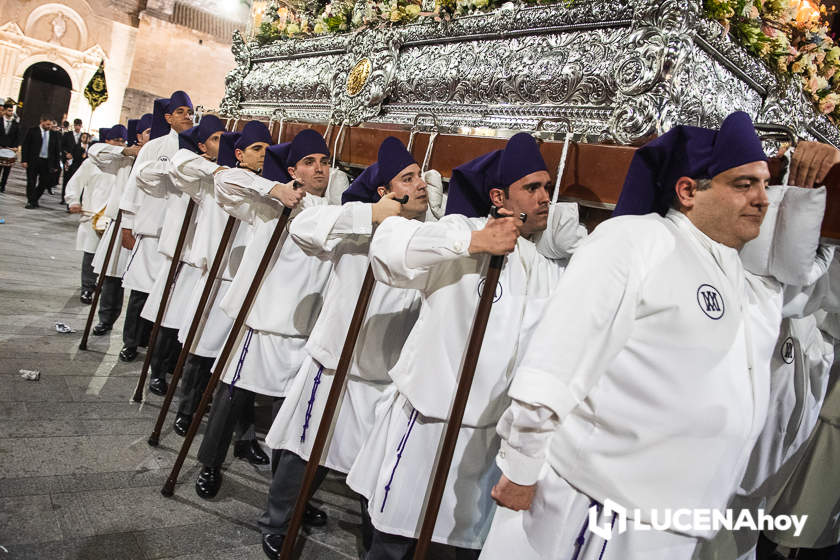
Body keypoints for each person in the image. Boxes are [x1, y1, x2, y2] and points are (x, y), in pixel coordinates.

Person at [482, 112, 829, 560]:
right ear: (687, 191)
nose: (763, 200)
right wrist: (522, 466)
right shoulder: (635, 241)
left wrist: (804, 193)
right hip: (598, 511)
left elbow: (792, 270)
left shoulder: (741, 276)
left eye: (766, 186)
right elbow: (556, 361)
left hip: (674, 524)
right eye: (743, 185)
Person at [344, 133, 586, 559]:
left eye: (547, 187)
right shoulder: (461, 231)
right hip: (429, 427)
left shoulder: (543, 271)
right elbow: (387, 247)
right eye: (532, 188)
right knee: (395, 541)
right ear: (499, 196)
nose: (545, 197)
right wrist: (475, 243)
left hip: (486, 440)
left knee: (453, 548)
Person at [257, 136, 430, 559]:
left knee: (374, 466)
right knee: (304, 451)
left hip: (384, 374)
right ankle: (280, 520)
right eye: (408, 178)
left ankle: (375, 542)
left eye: (421, 175)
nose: (421, 184)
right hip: (336, 364)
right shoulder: (353, 226)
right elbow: (303, 227)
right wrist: (371, 215)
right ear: (384, 192)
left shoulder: (429, 236)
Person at [193, 126, 338, 502]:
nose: (320, 169)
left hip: (306, 329)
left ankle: (285, 498)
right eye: (309, 162)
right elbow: (226, 181)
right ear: (293, 171)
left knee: (291, 417)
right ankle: (210, 462)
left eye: (324, 161)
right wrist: (274, 189)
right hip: (262, 323)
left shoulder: (339, 212)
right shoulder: (272, 203)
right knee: (231, 397)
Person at [118, 92, 193, 363]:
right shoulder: (154, 147)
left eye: (189, 112)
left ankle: (156, 349)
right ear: (168, 117)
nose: (187, 116)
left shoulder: (198, 150)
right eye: (181, 111)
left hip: (179, 236)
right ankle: (130, 342)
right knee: (140, 291)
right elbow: (133, 187)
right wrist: (127, 225)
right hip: (151, 230)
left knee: (167, 296)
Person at [86, 113, 152, 336]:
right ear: (139, 136)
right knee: (112, 276)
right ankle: (106, 318)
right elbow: (94, 152)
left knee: (141, 284)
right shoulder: (126, 158)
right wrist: (127, 151)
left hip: (147, 227)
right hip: (119, 222)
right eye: (148, 133)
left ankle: (135, 336)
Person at [65, 125, 127, 303]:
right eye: (116, 140)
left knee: (108, 254)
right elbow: (76, 182)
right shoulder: (91, 162)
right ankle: (87, 287)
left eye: (122, 141)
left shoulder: (124, 164)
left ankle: (101, 286)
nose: (119, 144)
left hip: (113, 216)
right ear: (107, 141)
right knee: (91, 252)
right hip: (94, 214)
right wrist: (73, 201)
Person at [20, 113, 60, 208]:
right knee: (31, 182)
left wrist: (56, 165)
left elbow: (56, 151)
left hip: (46, 162)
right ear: (41, 122)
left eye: (50, 125)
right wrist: (24, 160)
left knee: (44, 183)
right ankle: (30, 201)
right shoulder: (32, 131)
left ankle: (35, 199)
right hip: (33, 161)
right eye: (47, 124)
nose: (49, 126)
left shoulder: (54, 134)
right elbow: (25, 146)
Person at [62, 118, 84, 203]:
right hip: (68, 160)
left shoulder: (84, 136)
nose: (77, 127)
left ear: (81, 126)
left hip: (78, 161)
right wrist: (65, 154)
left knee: (76, 180)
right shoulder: (68, 135)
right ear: (74, 125)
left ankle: (74, 197)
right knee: (66, 179)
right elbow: (62, 146)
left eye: (79, 125)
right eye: (76, 125)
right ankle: (64, 197)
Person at [0, 100, 20, 193]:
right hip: (0, 147)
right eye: (9, 110)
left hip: (10, 150)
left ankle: (2, 185)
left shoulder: (15, 124)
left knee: (7, 170)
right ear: (4, 110)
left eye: (11, 111)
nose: (10, 113)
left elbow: (17, 136)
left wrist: (15, 147)